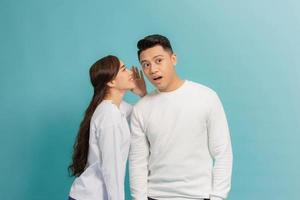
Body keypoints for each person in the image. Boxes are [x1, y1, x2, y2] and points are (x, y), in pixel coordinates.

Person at [129, 35, 233, 200]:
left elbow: (222, 152)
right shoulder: (141, 109)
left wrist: (218, 197)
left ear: (173, 59)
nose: (153, 69)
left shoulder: (206, 97)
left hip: (198, 196)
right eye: (146, 65)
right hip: (156, 196)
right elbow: (137, 162)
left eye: (158, 60)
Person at [68, 55, 146, 200]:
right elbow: (112, 168)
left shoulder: (115, 108)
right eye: (124, 70)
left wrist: (142, 94)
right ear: (111, 81)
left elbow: (142, 112)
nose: (131, 72)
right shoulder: (109, 116)